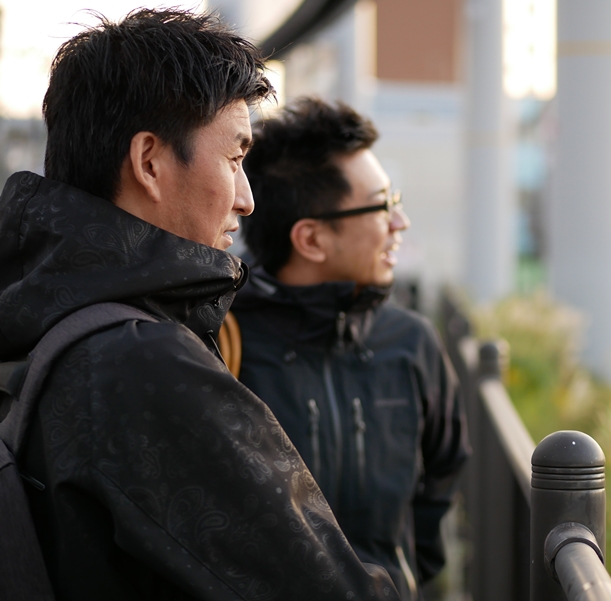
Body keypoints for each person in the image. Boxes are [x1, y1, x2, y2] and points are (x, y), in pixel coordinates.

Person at [0, 10, 400, 600]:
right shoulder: (144, 365)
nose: (247, 199)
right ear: (150, 163)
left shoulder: (44, 319)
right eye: (235, 159)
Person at [231, 98, 470, 600]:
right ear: (311, 240)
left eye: (395, 200)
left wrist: (406, 575)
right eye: (382, 206)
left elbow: (444, 468)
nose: (400, 222)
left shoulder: (411, 341)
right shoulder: (223, 344)